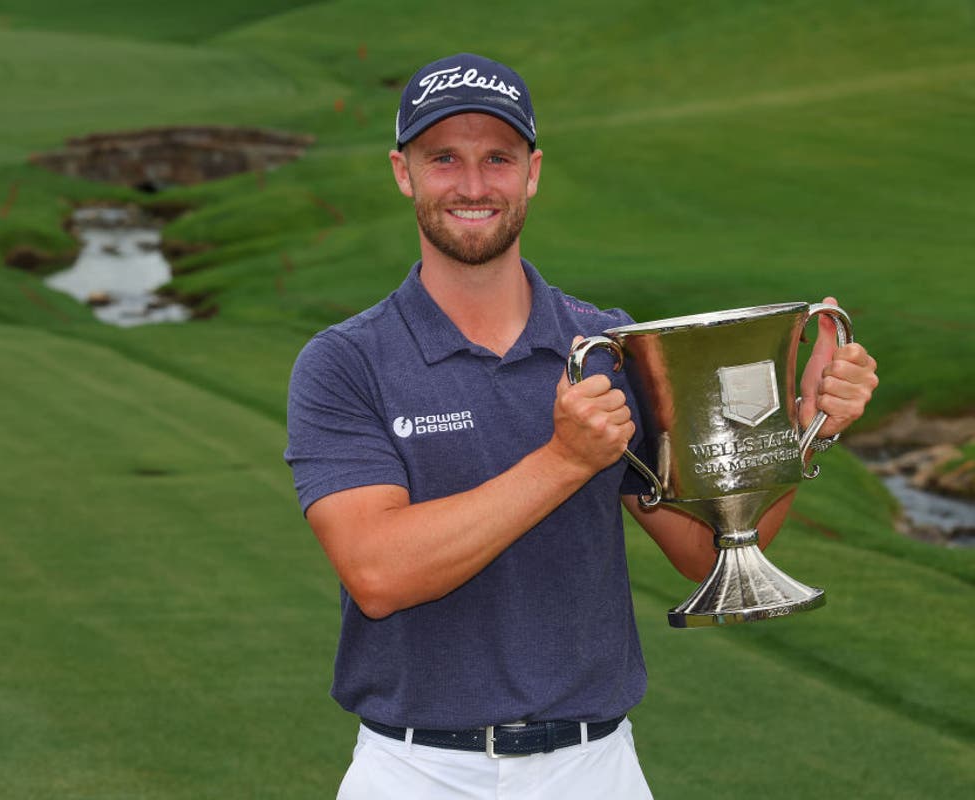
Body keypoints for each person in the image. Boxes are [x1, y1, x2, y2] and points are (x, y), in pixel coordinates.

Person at [283, 53, 879, 799]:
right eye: (444, 160)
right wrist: (564, 461)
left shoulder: (609, 345)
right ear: (404, 172)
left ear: (532, 171)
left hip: (593, 767)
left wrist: (804, 428)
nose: (473, 186)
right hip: (414, 769)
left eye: (497, 158)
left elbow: (707, 552)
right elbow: (378, 574)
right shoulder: (345, 362)